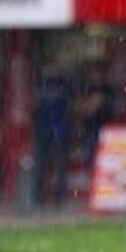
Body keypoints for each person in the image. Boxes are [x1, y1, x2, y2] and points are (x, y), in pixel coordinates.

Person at [32, 61, 73, 205]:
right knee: (43, 164)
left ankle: (55, 195)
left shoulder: (61, 85)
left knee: (56, 163)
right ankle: (41, 195)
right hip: (48, 128)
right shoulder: (41, 85)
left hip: (56, 128)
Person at [74, 60, 115, 170]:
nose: (93, 75)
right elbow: (78, 106)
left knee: (104, 159)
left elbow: (92, 106)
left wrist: (87, 104)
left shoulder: (106, 88)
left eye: (95, 72)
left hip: (103, 128)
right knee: (90, 157)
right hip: (89, 127)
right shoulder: (86, 87)